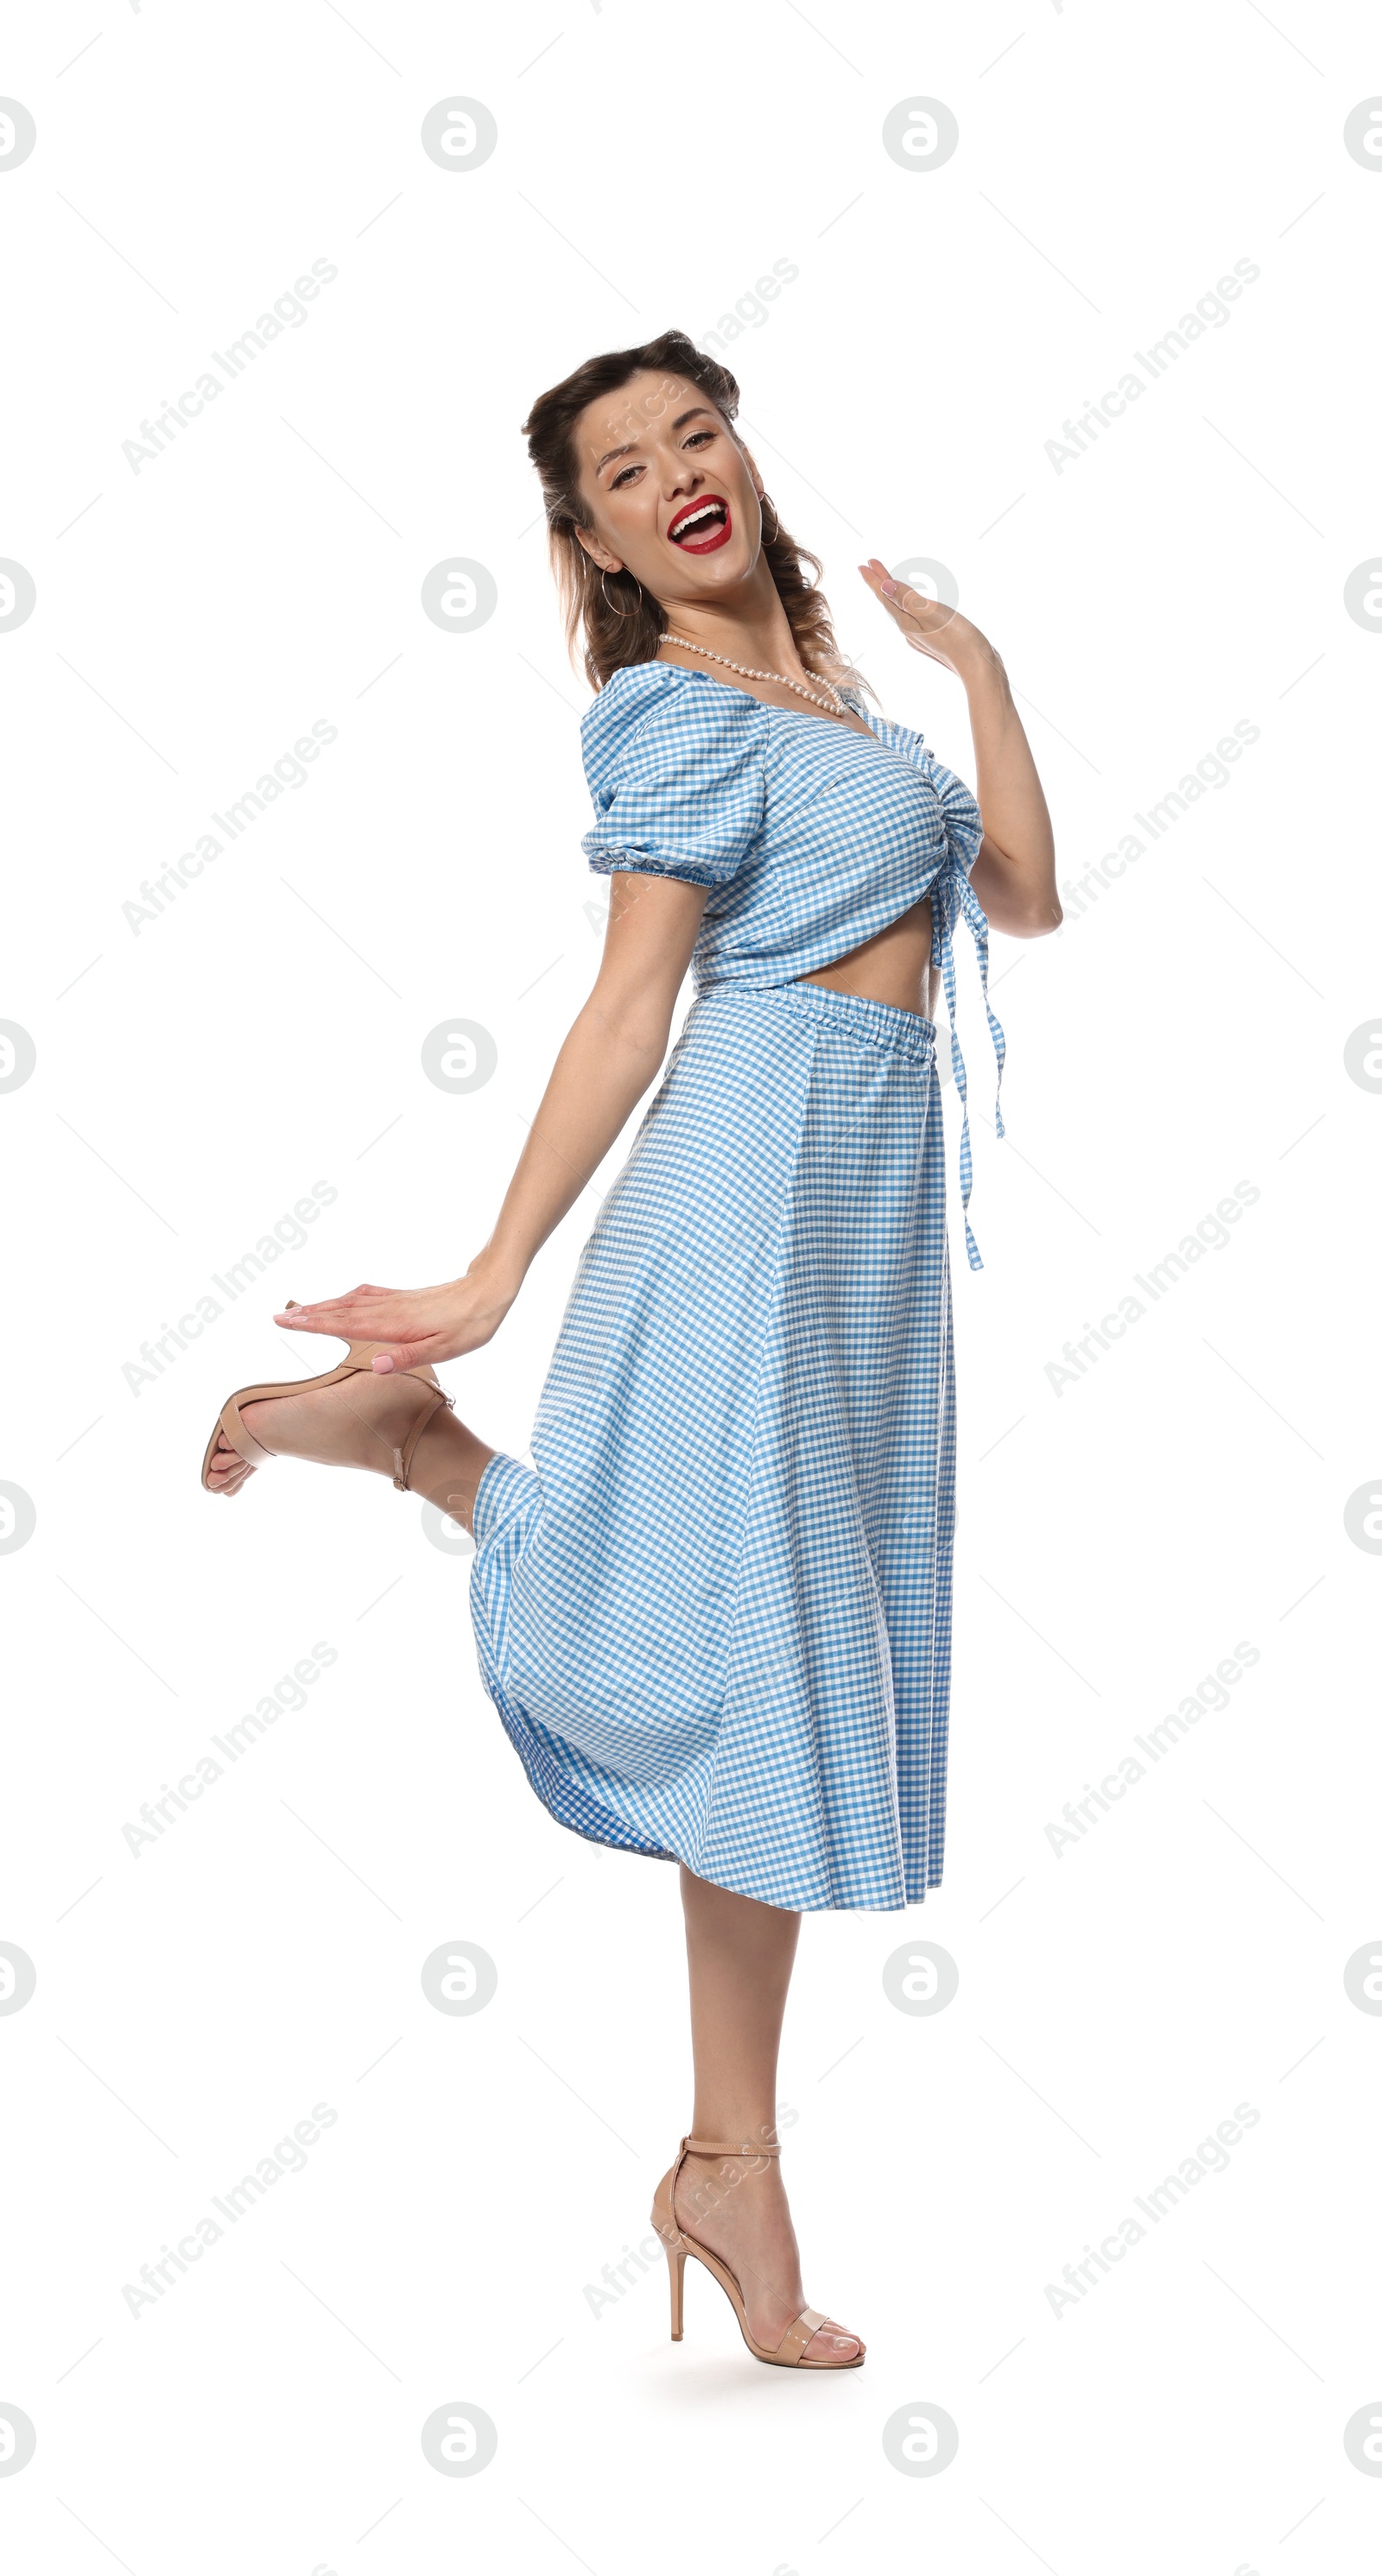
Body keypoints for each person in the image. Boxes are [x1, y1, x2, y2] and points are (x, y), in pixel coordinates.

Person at [202, 330, 1059, 2370]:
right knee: (739, 1657)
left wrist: (983, 675)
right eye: (620, 469)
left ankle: (720, 2161)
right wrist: (495, 1264)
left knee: (762, 1655)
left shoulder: (834, 700)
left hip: (863, 1215)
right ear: (587, 537)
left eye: (696, 431)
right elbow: (623, 1009)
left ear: (742, 452)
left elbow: (1016, 898)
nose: (675, 471)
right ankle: (425, 1443)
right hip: (752, 1175)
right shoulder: (674, 714)